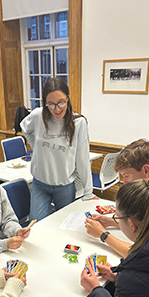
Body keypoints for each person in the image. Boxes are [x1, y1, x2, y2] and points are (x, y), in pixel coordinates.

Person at [20, 77, 96, 221]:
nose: (57, 109)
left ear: (68, 98)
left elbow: (82, 160)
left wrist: (88, 192)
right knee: (36, 227)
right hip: (40, 185)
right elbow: (24, 127)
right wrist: (36, 147)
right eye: (51, 104)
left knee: (64, 226)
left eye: (61, 102)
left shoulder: (78, 122)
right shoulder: (38, 116)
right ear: (45, 103)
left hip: (65, 187)